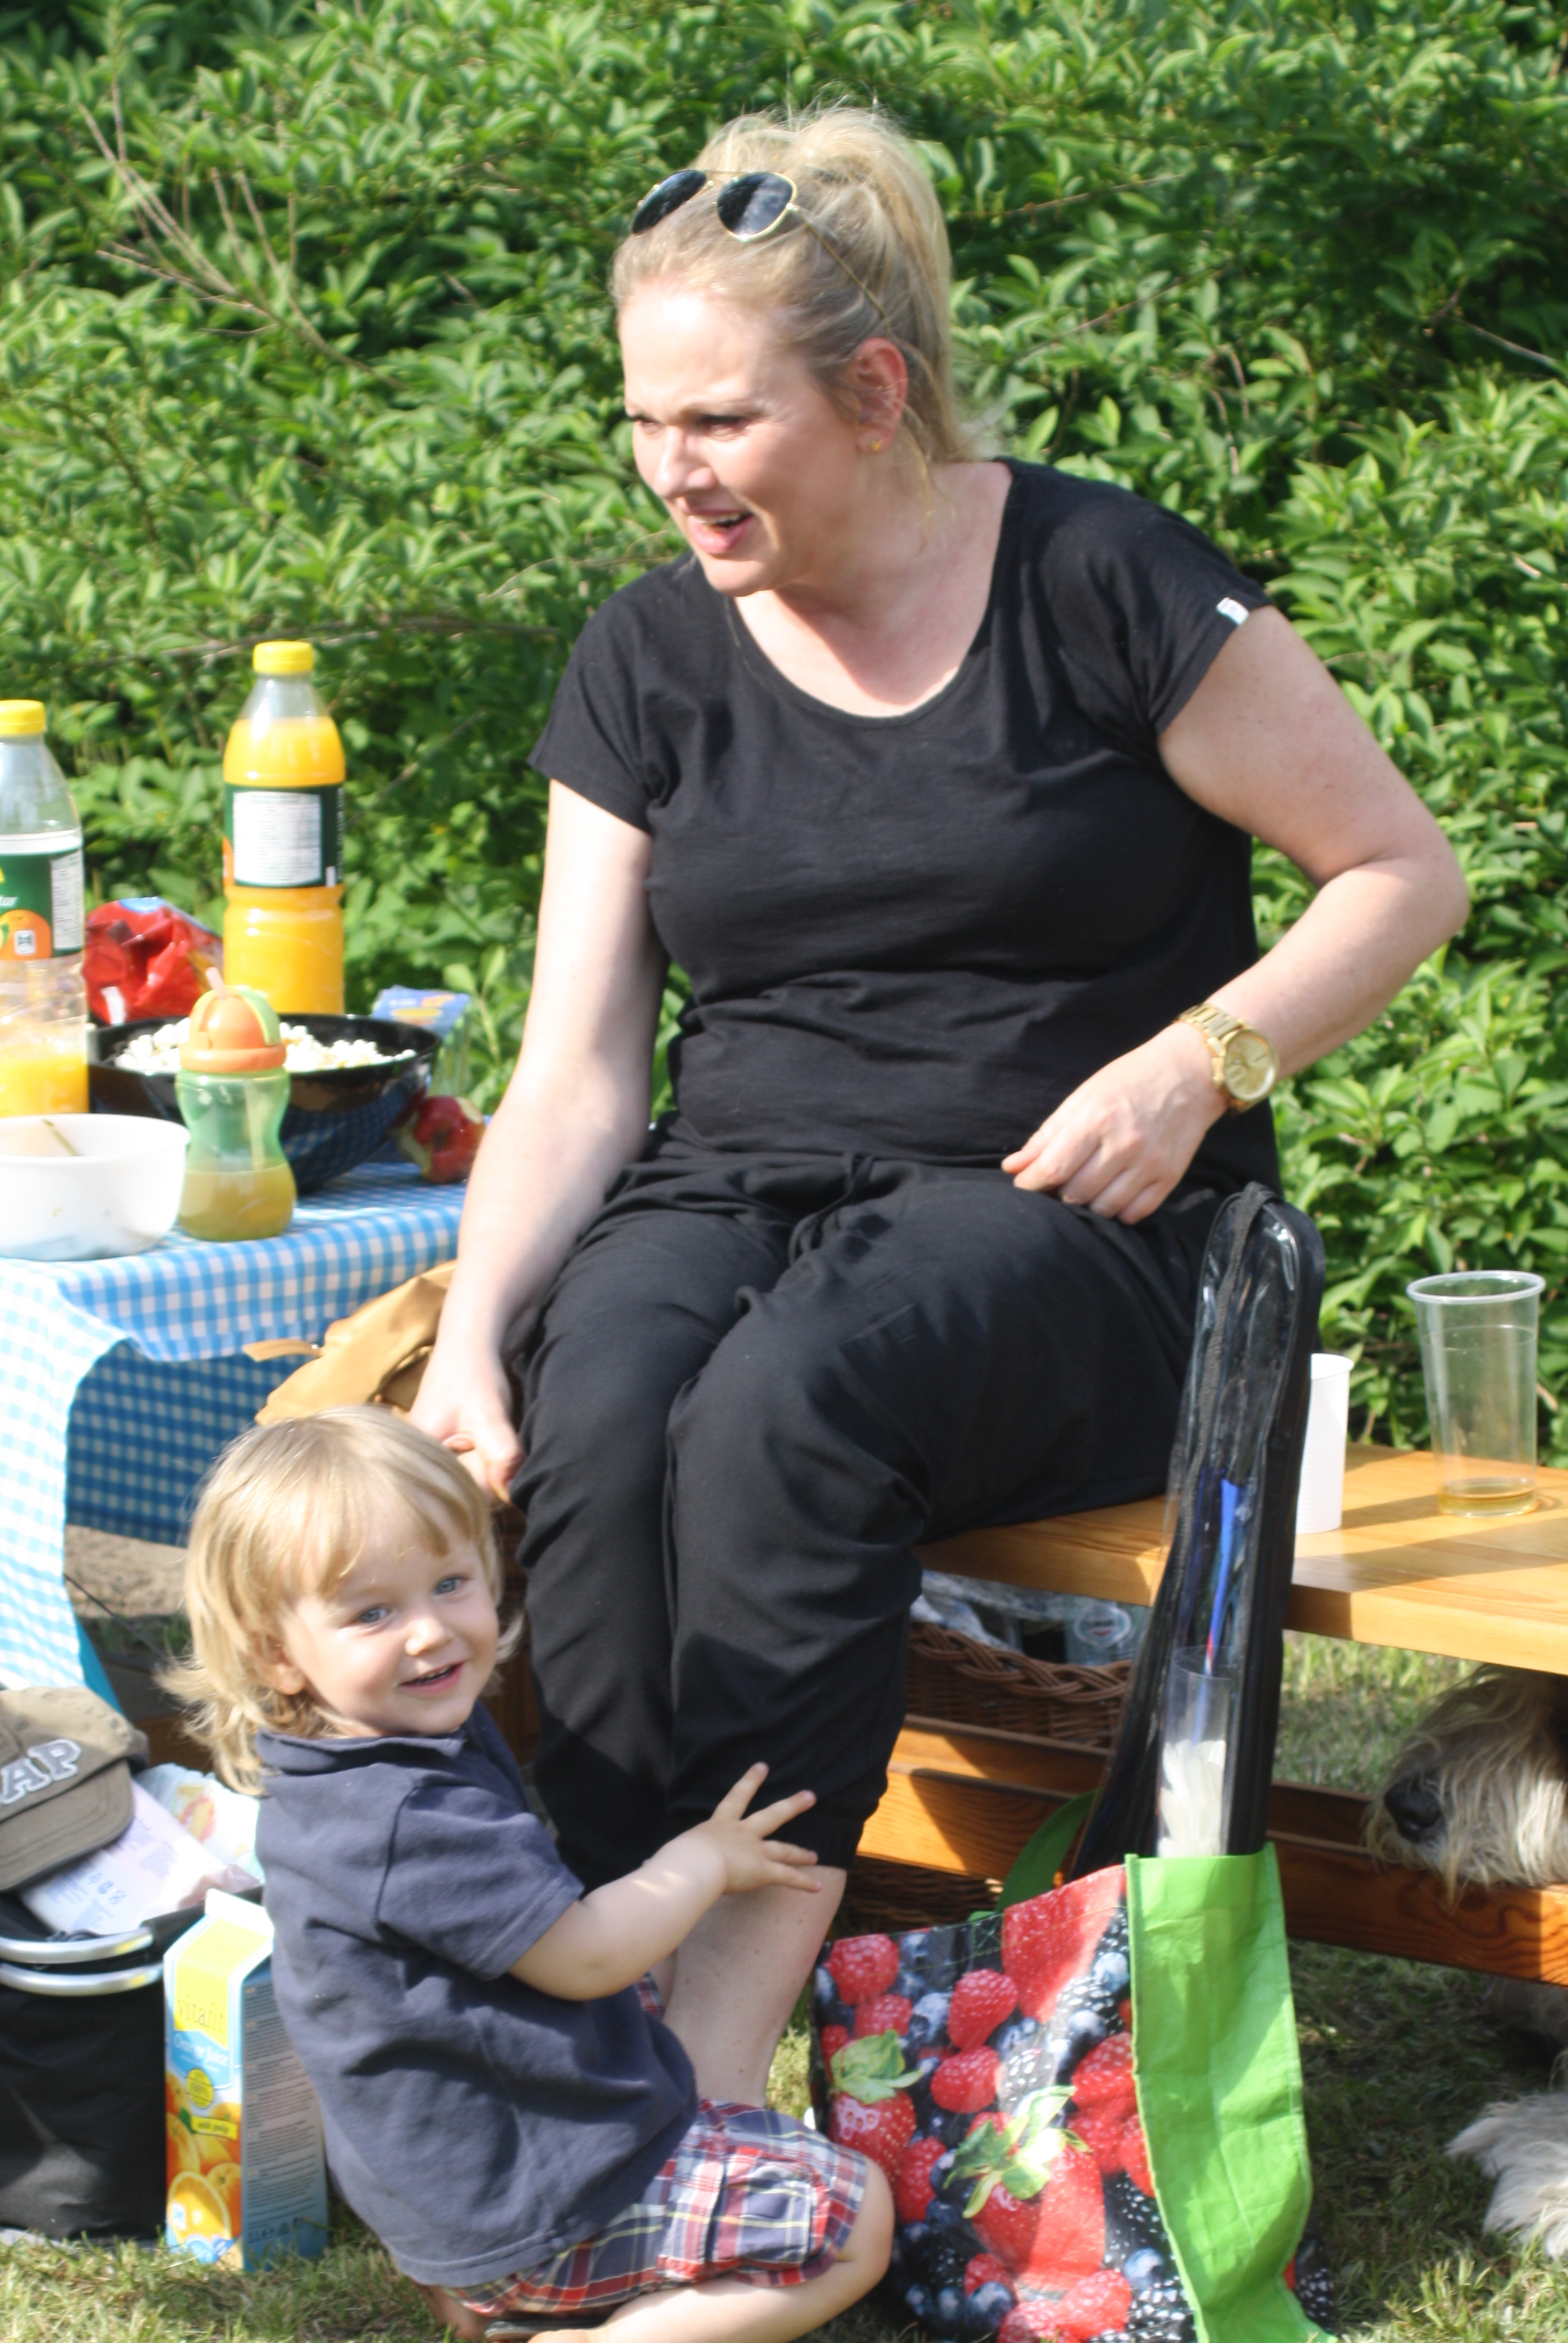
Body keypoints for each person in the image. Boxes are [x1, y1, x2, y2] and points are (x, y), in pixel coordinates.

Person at [411, 101, 1468, 2106]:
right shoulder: (648, 656)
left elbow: (1402, 876)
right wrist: (476, 1337)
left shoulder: (1103, 583)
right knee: (602, 1396)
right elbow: (577, 1067)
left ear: (877, 392)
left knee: (789, 1401)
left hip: (1081, 1218)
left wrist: (1200, 1062)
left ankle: (715, 2055)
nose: (672, 470)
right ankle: (608, 1974)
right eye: (643, 422)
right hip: (739, 1183)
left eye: (720, 421)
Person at [170, 1406, 893, 2343]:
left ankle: (491, 2298)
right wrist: (700, 1862)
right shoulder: (412, 1820)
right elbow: (586, 1957)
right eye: (372, 1613)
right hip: (545, 2207)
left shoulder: (337, 1769)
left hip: (450, 2208)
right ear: (276, 1654)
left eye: (449, 1583)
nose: (430, 1631)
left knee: (705, 2097)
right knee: (857, 2217)